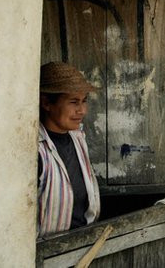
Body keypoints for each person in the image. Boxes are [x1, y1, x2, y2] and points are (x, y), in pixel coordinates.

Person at [37, 62, 100, 237]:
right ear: (46, 103)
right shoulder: (37, 150)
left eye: (84, 101)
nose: (82, 111)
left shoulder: (78, 137)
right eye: (73, 102)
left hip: (83, 241)